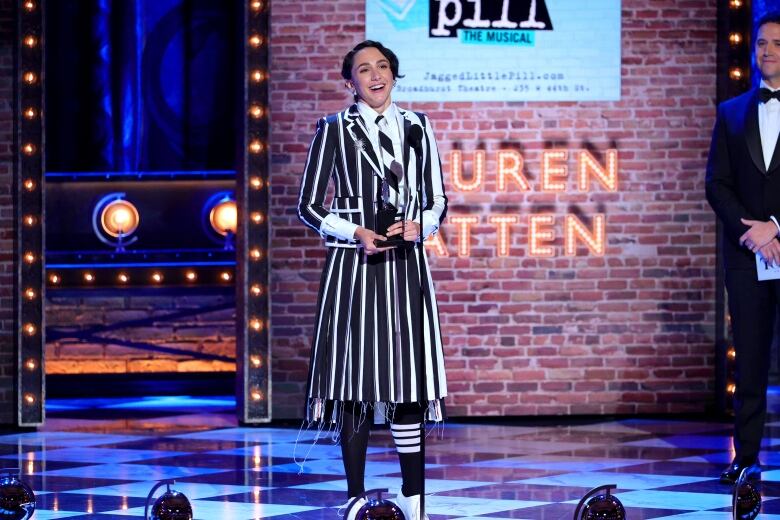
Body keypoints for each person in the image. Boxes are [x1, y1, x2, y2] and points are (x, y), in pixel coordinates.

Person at [296, 40, 448, 519]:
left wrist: (420, 224)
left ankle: (414, 499)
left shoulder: (418, 127)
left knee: (407, 383)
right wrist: (354, 231)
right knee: (356, 385)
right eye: (364, 69)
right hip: (354, 269)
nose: (375, 75)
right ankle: (355, 498)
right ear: (350, 82)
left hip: (405, 268)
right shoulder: (333, 130)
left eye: (382, 66)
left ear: (393, 74)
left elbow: (438, 199)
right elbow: (309, 205)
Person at [706, 10, 780, 484]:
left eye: (775, 43)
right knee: (749, 362)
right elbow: (716, 184)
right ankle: (745, 458)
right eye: (761, 43)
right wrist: (751, 232)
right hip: (747, 256)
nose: (767, 50)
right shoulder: (731, 112)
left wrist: (777, 226)